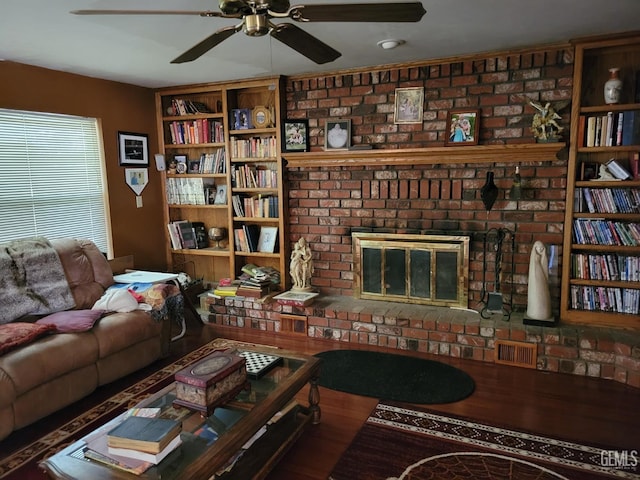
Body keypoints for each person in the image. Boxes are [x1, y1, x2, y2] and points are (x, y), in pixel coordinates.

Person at [526, 240, 552, 320]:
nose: (540, 249)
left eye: (542, 248)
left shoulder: (543, 258)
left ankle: (542, 311)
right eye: (538, 248)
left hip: (542, 278)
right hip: (536, 278)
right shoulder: (534, 259)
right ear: (535, 248)